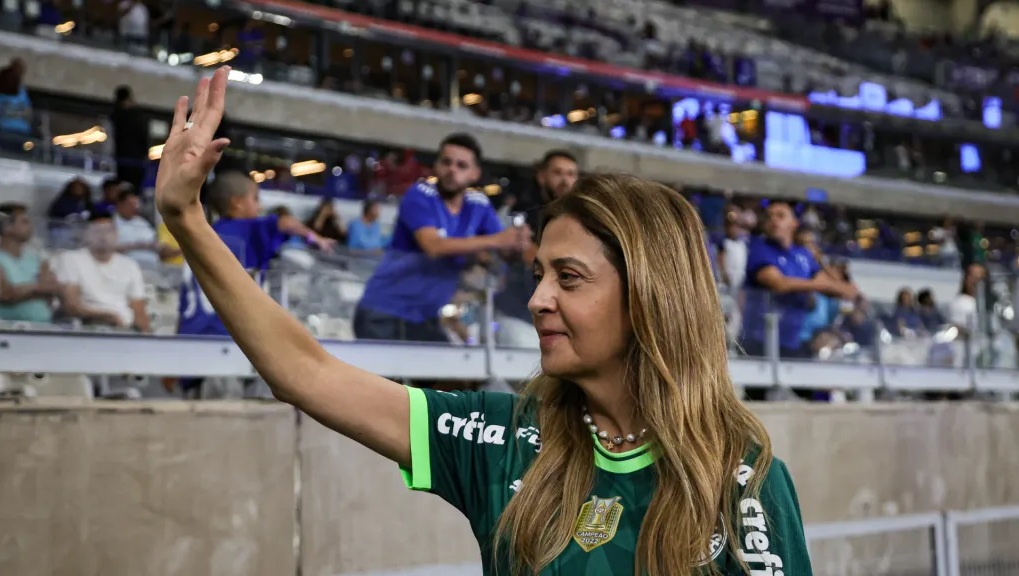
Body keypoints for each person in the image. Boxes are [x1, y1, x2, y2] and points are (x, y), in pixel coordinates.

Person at [153, 68, 810, 575]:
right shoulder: (502, 436)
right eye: (537, 275)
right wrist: (189, 220)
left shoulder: (742, 474)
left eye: (569, 278)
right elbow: (305, 370)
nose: (538, 299)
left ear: (649, 298)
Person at [353, 133, 529, 342]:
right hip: (382, 314)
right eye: (446, 162)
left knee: (449, 373)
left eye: (461, 165)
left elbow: (503, 251)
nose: (452, 170)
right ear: (436, 166)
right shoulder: (419, 194)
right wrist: (499, 240)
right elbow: (434, 246)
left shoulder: (478, 204)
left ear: (475, 174)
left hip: (424, 318)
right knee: (385, 376)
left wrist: (518, 242)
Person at [175, 171, 334, 398]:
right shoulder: (249, 230)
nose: (259, 207)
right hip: (225, 349)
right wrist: (315, 238)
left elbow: (183, 303)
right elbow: (284, 221)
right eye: (256, 198)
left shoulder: (203, 237)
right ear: (237, 203)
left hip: (189, 351)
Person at [741, 201, 857, 360]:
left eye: (780, 216)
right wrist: (819, 285)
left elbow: (846, 290)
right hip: (760, 341)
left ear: (794, 223)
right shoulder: (759, 249)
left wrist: (821, 260)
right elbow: (778, 284)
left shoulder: (803, 255)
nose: (774, 220)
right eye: (769, 217)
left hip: (792, 341)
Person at [494, 150, 580, 349]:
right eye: (558, 173)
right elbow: (532, 259)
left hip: (562, 317)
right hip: (519, 316)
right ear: (542, 177)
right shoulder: (519, 212)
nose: (565, 180)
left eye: (570, 174)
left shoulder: (580, 219)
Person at [56, 210, 150, 332]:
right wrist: (106, 316)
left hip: (125, 330)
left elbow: (139, 310)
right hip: (87, 328)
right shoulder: (70, 259)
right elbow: (71, 306)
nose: (103, 236)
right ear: (86, 234)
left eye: (109, 230)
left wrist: (147, 338)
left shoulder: (130, 265)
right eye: (97, 231)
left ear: (117, 234)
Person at [0, 203, 57, 323]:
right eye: (24, 222)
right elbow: (5, 295)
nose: (31, 226)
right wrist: (39, 288)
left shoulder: (36, 259)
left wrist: (23, 290)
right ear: (7, 227)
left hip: (43, 327)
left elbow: (53, 289)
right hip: (10, 331)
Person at [114, 188, 180, 266]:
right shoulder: (112, 224)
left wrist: (174, 251)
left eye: (135, 204)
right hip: (129, 265)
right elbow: (111, 249)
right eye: (130, 204)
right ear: (120, 205)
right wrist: (138, 246)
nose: (134, 207)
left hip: (153, 264)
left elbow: (156, 243)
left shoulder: (142, 222)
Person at [109, 85, 150, 193]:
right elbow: (143, 135)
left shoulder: (115, 115)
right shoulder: (136, 116)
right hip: (135, 159)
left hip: (121, 158)